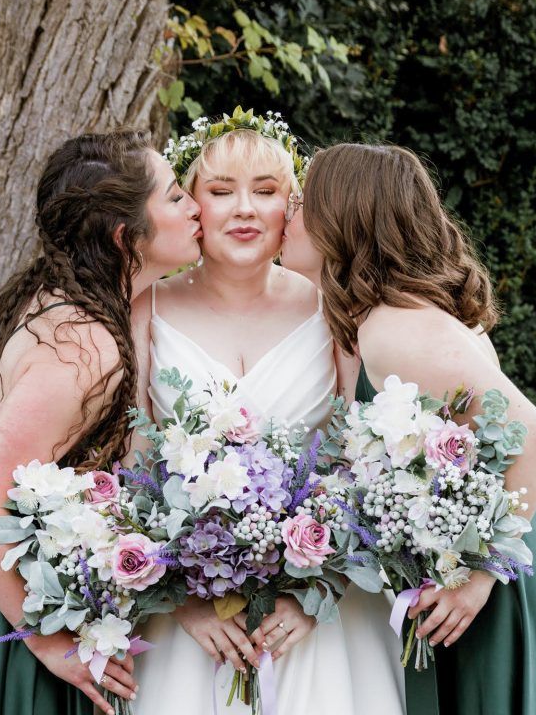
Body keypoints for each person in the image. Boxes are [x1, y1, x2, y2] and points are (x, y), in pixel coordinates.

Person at [281, 141, 536, 715]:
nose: (285, 215)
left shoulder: (397, 327)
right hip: (463, 584)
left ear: (341, 216)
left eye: (301, 202)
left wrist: (480, 575)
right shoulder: (369, 319)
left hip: (503, 587)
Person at [0, 129, 202, 715]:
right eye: (173, 197)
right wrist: (48, 643)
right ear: (125, 236)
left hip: (4, 585)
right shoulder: (86, 344)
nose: (193, 205)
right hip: (4, 604)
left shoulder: (76, 306)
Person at [129, 114, 406, 715]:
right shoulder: (146, 309)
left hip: (317, 616)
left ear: (293, 207)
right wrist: (182, 601)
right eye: (221, 191)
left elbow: (360, 456)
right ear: (193, 207)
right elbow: (131, 465)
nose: (244, 209)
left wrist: (315, 590)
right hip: (190, 615)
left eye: (266, 190)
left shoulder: (336, 311)